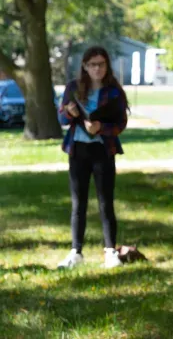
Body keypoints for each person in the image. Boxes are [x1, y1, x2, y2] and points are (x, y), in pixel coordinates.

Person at [57, 46, 129, 269]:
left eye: (101, 64)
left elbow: (120, 124)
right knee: (79, 202)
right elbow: (61, 119)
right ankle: (76, 252)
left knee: (105, 201)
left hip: (103, 150)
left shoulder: (114, 92)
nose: (97, 68)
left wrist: (100, 127)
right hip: (78, 150)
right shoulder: (73, 88)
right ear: (85, 67)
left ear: (107, 66)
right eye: (92, 64)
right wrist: (70, 112)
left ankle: (110, 252)